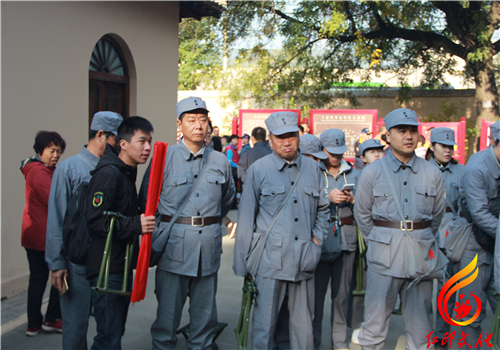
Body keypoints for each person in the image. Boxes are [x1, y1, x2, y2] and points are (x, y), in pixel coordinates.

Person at [233, 111, 330, 350]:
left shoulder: (312, 168)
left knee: (303, 327)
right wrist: (243, 265)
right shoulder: (259, 169)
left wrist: (316, 240)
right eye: (280, 137)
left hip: (304, 259)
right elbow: (246, 218)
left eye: (292, 136)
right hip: (269, 261)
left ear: (299, 136)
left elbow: (323, 209)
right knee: (264, 326)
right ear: (270, 139)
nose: (287, 142)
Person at [147, 96, 235, 350]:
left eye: (203, 120)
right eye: (191, 120)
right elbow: (147, 199)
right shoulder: (163, 157)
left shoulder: (219, 160)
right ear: (179, 124)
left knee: (204, 318)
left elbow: (226, 199)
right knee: (167, 318)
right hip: (174, 248)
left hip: (207, 247)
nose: (198, 125)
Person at [354, 108, 446, 350]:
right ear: (388, 136)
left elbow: (436, 216)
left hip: (420, 256)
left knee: (421, 328)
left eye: (413, 131)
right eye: (401, 131)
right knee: (374, 325)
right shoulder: (372, 172)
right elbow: (362, 214)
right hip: (384, 257)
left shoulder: (432, 172)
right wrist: (380, 240)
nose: (408, 136)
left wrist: (421, 237)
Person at [46, 111, 123, 350]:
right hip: (77, 265)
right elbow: (56, 218)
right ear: (101, 135)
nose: (120, 146)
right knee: (75, 328)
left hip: (107, 264)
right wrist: (57, 263)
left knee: (110, 329)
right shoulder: (69, 169)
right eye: (116, 140)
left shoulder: (117, 170)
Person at [85, 116, 155, 350]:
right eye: (142, 141)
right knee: (108, 338)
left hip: (120, 265)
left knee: (114, 333)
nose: (147, 148)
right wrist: (136, 224)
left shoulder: (126, 172)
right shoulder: (109, 174)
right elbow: (95, 221)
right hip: (107, 269)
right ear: (123, 144)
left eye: (150, 142)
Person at [313, 129, 359, 350]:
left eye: (340, 152)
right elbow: (303, 202)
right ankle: (312, 341)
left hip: (346, 243)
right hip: (320, 242)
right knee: (315, 298)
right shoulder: (312, 170)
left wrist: (352, 199)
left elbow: (367, 208)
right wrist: (326, 197)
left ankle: (339, 342)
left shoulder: (354, 173)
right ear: (322, 150)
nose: (336, 157)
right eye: (332, 152)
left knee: (341, 298)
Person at [22, 131, 66, 336]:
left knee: (38, 279)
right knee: (59, 274)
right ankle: (51, 318)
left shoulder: (43, 170)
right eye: (52, 150)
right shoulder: (39, 172)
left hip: (37, 235)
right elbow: (55, 199)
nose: (56, 155)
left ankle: (35, 323)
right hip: (43, 235)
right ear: (40, 151)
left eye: (59, 151)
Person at [425, 128, 465, 348]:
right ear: (432, 147)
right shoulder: (420, 169)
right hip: (425, 234)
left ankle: (441, 335)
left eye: (451, 147)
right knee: (421, 289)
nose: (448, 150)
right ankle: (423, 332)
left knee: (447, 290)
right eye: (443, 146)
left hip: (452, 235)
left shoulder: (462, 171)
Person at [459, 127, 500, 344]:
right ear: (496, 142)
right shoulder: (477, 167)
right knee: (471, 312)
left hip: (497, 245)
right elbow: (480, 215)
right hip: (475, 244)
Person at [347, 137, 385, 346]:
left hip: (389, 239)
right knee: (361, 284)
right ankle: (358, 325)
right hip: (365, 238)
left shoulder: (390, 175)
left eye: (380, 150)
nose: (377, 154)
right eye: (372, 151)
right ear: (363, 157)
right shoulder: (360, 176)